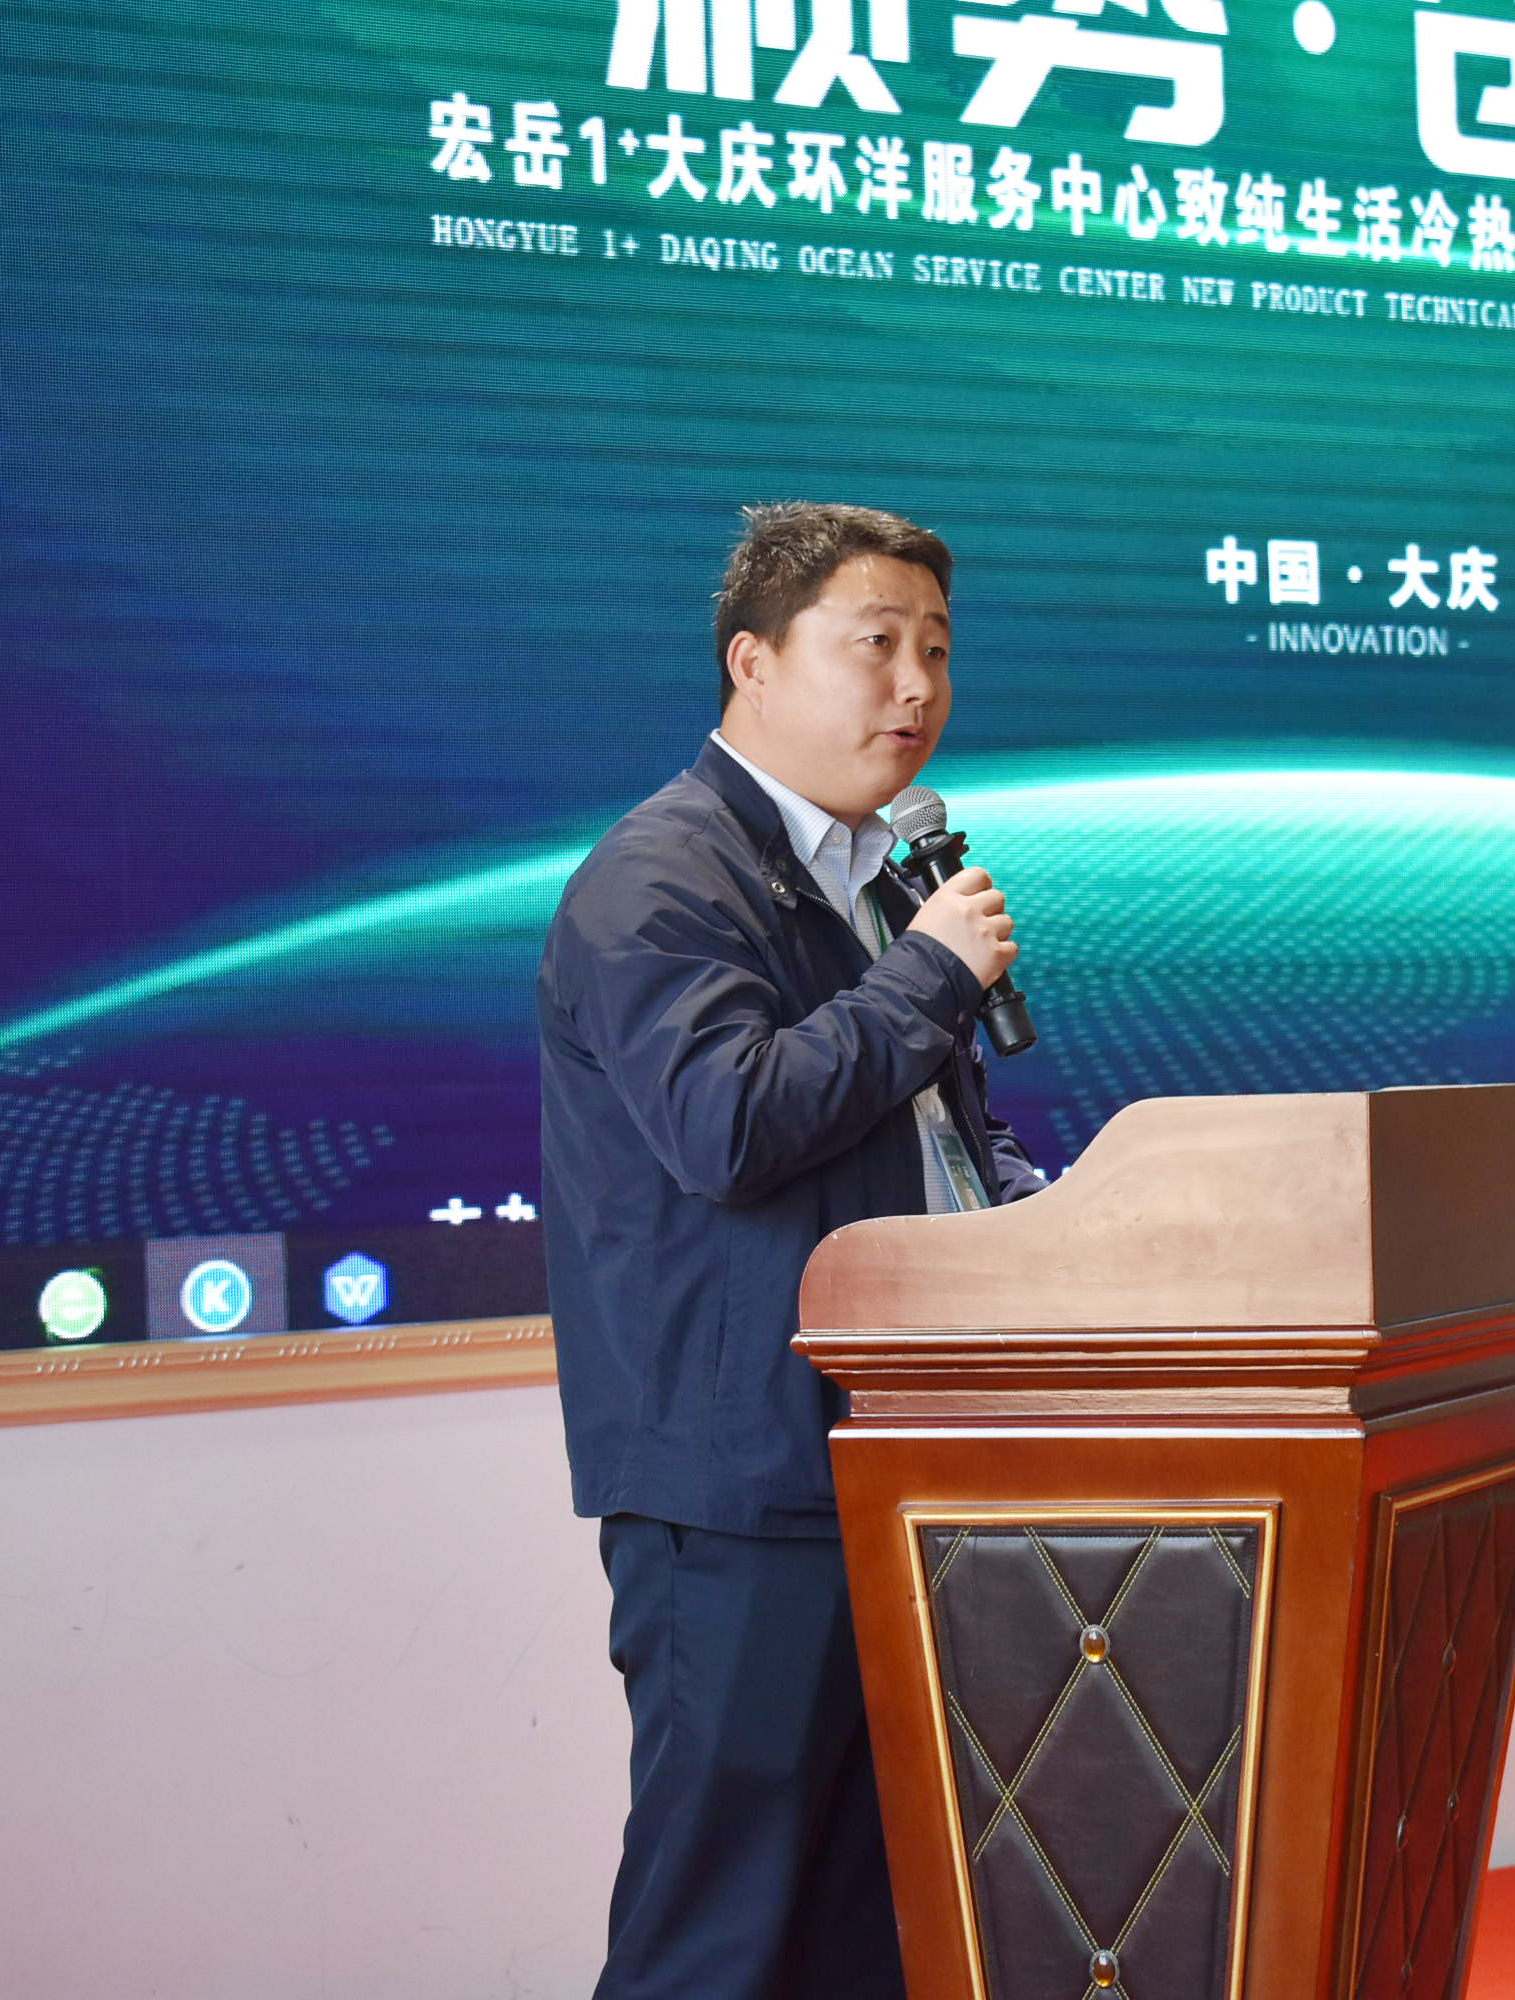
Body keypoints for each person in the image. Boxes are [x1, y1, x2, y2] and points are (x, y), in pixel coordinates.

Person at [536, 502, 1045, 2000]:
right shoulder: (661, 876)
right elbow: (729, 1124)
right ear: (752, 663)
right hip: (744, 1483)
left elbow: (922, 1141)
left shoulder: (873, 876)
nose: (917, 685)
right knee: (723, 1923)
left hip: (892, 1457)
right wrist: (930, 977)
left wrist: (1045, 1212)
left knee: (862, 1921)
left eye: (936, 648)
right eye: (875, 644)